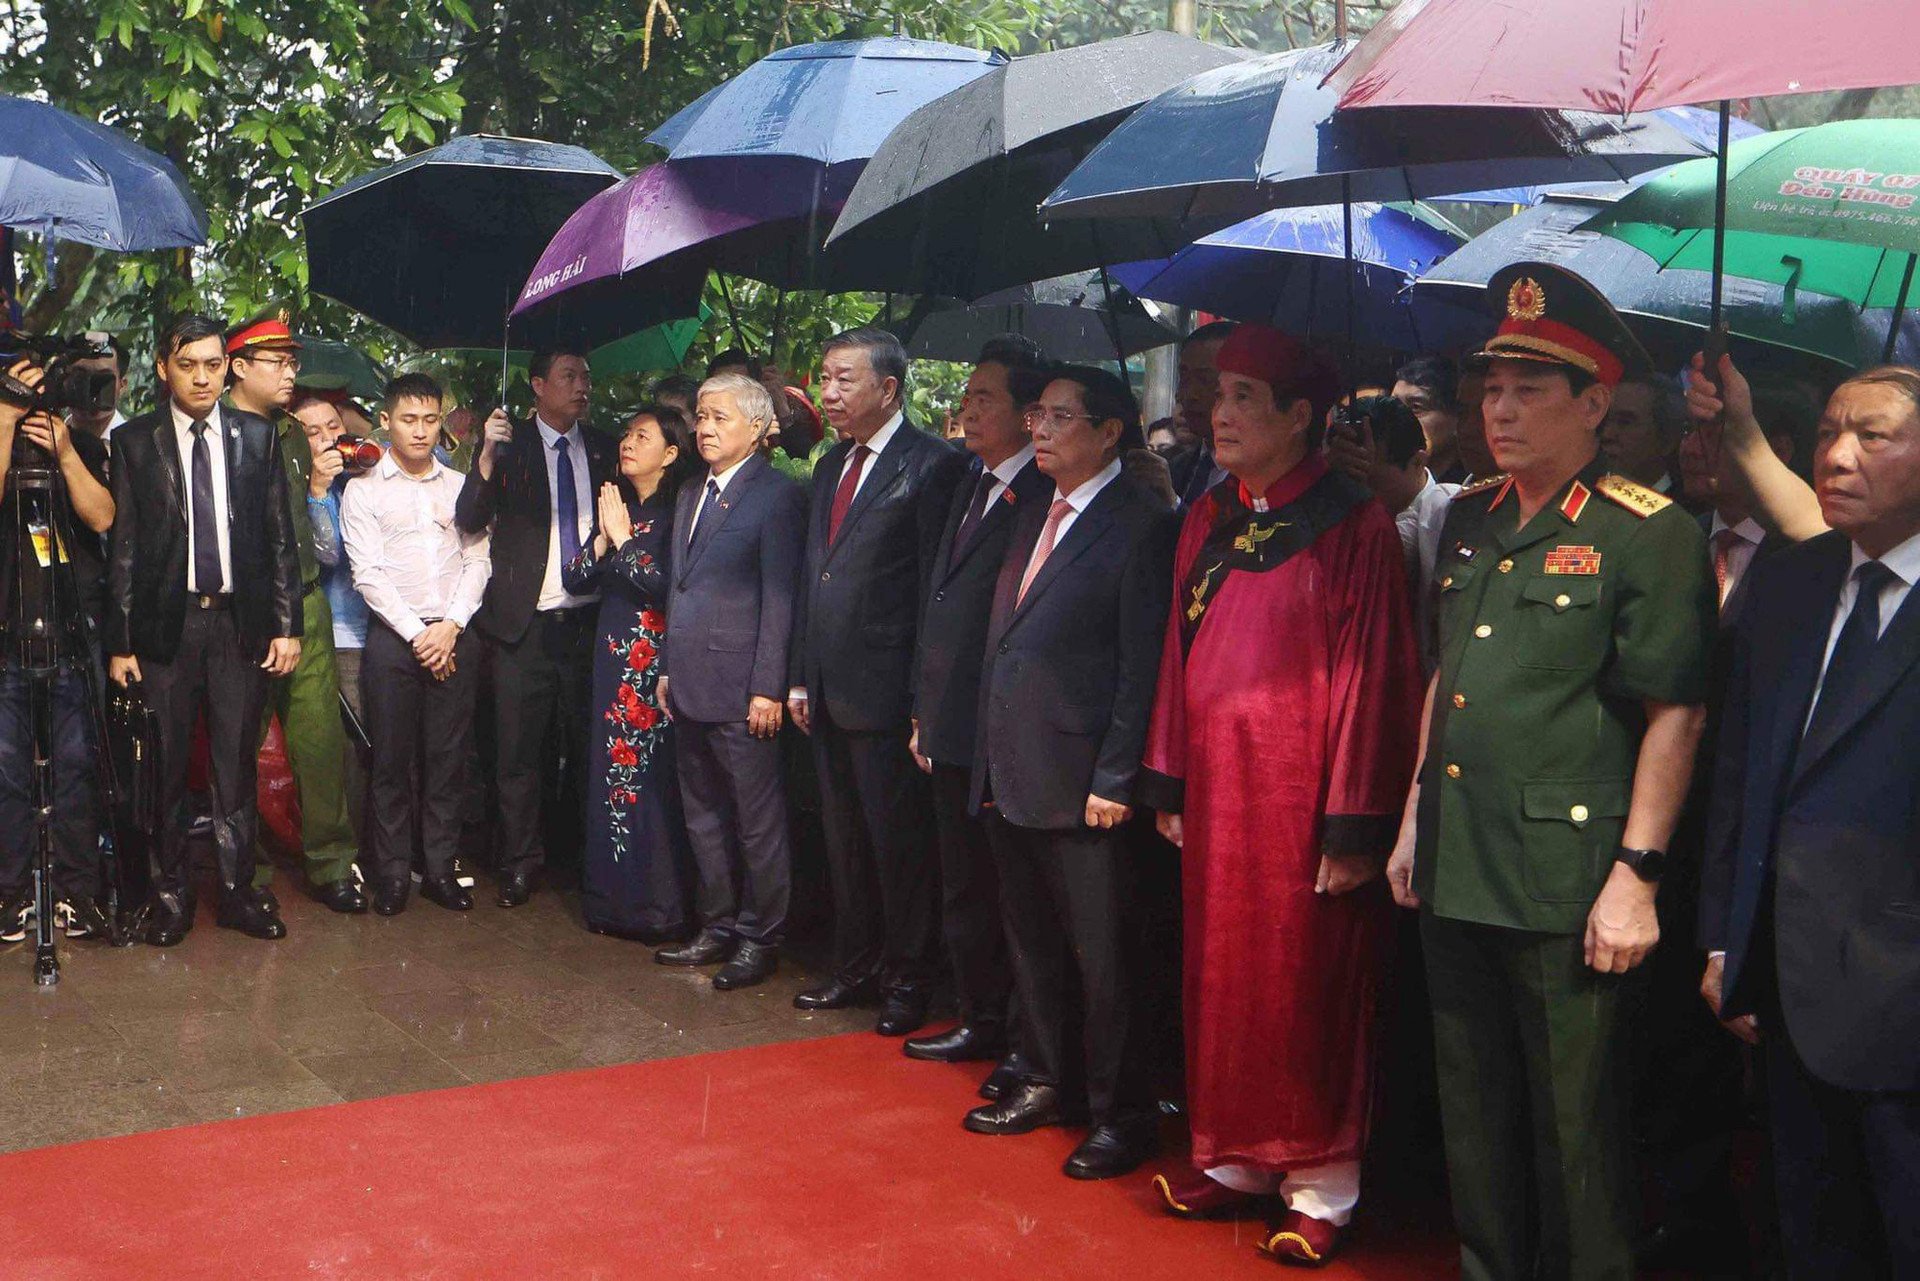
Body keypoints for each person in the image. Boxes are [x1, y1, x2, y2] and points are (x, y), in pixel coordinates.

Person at [1385, 263, 1715, 1280]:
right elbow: (1449, 673)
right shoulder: (1474, 516)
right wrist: (1409, 821)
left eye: (1530, 391)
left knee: (1576, 1133)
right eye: (1491, 390)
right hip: (1460, 854)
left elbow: (1676, 714)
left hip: (1567, 876)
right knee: (1473, 1113)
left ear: (1594, 403)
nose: (1501, 410)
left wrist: (1637, 876)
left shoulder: (1647, 533)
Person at [1139, 328, 1421, 1263]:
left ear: (1303, 417)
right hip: (1221, 795)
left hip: (1302, 798)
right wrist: (1170, 775)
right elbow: (1179, 656)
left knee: (1308, 982)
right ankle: (1236, 1158)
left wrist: (1353, 822)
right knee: (1223, 975)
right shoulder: (1208, 514)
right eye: (1220, 393)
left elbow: (1377, 678)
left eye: (1248, 397)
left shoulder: (1355, 524)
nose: (1220, 412)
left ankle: (1320, 1182)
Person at [1697, 362, 1920, 1280]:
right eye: (1830, 430)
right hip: (1787, 987)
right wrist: (1722, 939)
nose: (1837, 455)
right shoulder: (1791, 584)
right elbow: (1741, 778)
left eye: (1873, 436)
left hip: (1905, 1005)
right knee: (1809, 1238)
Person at [958, 365, 1174, 1180]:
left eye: (1060, 417)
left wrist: (1116, 777)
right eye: (1037, 414)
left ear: (1110, 430)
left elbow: (1138, 664)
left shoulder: (1142, 522)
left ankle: (1124, 1113)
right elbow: (1004, 643)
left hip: (1086, 778)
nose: (1040, 430)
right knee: (1034, 943)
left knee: (1106, 956)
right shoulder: (1031, 510)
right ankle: (1049, 1076)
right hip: (1015, 765)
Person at [786, 327, 966, 1035]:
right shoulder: (831, 464)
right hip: (827, 687)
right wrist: (801, 675)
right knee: (845, 841)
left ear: (888, 389)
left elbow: (932, 593)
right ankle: (854, 965)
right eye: (824, 378)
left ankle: (908, 977)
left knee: (899, 846)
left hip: (888, 690)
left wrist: (925, 699)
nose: (828, 394)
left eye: (843, 380)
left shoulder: (932, 465)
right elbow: (814, 576)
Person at [106, 313, 303, 946]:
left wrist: (286, 625)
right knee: (163, 767)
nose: (201, 377)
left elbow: (279, 539)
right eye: (187, 365)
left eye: (213, 365)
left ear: (226, 367)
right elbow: (125, 549)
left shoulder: (257, 436)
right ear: (164, 367)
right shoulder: (136, 442)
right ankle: (170, 899)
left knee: (235, 765)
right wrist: (121, 642)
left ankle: (240, 893)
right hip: (168, 626)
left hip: (238, 625)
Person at [904, 335, 1054, 1081]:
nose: (966, 407)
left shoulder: (1043, 494)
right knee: (961, 880)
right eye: (964, 395)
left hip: (1004, 729)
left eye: (983, 396)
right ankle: (976, 1014)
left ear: (1031, 415)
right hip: (949, 720)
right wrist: (924, 710)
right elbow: (939, 604)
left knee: (1009, 894)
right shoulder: (964, 480)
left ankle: (1022, 1039)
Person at [654, 377, 806, 987]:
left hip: (744, 687)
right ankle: (715, 926)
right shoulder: (691, 491)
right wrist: (666, 666)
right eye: (700, 416)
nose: (704, 427)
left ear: (755, 426)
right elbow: (678, 588)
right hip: (689, 679)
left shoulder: (776, 495)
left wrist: (768, 687)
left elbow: (781, 598)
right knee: (703, 815)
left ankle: (759, 936)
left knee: (755, 820)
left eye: (718, 417)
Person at [455, 344, 615, 907]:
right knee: (517, 753)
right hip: (522, 625)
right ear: (538, 386)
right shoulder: (510, 446)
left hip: (588, 623)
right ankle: (520, 862)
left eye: (586, 376)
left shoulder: (603, 448)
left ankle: (582, 858)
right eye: (569, 375)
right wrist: (485, 457)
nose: (582, 386)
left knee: (586, 746)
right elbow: (469, 520)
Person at [226, 314, 360, 913]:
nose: (290, 372)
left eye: (292, 362)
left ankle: (332, 865)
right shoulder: (212, 433)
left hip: (306, 600)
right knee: (240, 746)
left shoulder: (290, 433)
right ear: (239, 367)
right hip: (240, 612)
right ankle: (245, 875)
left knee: (319, 743)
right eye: (278, 362)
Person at [340, 374, 488, 915]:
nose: (421, 431)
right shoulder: (364, 490)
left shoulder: (459, 487)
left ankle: (441, 868)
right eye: (409, 419)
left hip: (453, 633)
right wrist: (419, 634)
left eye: (430, 420)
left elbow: (478, 560)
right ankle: (393, 872)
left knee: (448, 759)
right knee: (391, 762)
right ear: (387, 421)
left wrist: (449, 626)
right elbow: (367, 575)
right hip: (395, 640)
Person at [554, 404, 697, 942]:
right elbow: (575, 577)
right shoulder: (620, 509)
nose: (628, 444)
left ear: (672, 452)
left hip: (654, 663)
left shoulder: (679, 509)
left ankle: (659, 910)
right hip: (611, 662)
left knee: (651, 781)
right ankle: (612, 903)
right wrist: (605, 534)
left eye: (644, 436)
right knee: (609, 775)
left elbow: (668, 585)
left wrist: (624, 538)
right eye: (628, 435)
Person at [0, 357, 115, 941]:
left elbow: (101, 518)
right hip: (6, 633)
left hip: (73, 635)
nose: (33, 399)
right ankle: (10, 894)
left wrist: (67, 453)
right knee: (6, 771)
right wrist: (3, 420)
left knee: (76, 767)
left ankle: (78, 891)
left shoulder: (86, 447)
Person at [292, 392, 374, 839]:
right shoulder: (301, 484)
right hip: (339, 631)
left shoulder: (363, 473)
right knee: (349, 748)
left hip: (385, 630)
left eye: (333, 427)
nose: (327, 438)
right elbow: (328, 554)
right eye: (312, 431)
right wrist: (319, 491)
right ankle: (355, 848)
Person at [1168, 320, 1236, 506]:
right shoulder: (1174, 469)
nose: (1188, 394)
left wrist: (1173, 504)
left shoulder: (1258, 479)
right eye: (1184, 377)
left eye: (1205, 380)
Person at [1600, 373, 1686, 495]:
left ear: (1667, 440)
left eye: (1625, 422)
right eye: (1604, 419)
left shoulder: (1686, 510)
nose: (1606, 434)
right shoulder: (1582, 501)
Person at [1393, 355, 1466, 484]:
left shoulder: (1470, 488)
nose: (1397, 417)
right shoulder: (1382, 481)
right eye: (1392, 404)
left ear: (1457, 418)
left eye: (1416, 407)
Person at [67, 333, 128, 443]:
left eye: (103, 378)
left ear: (122, 385)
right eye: (80, 376)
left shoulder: (135, 446)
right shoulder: (47, 434)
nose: (91, 387)